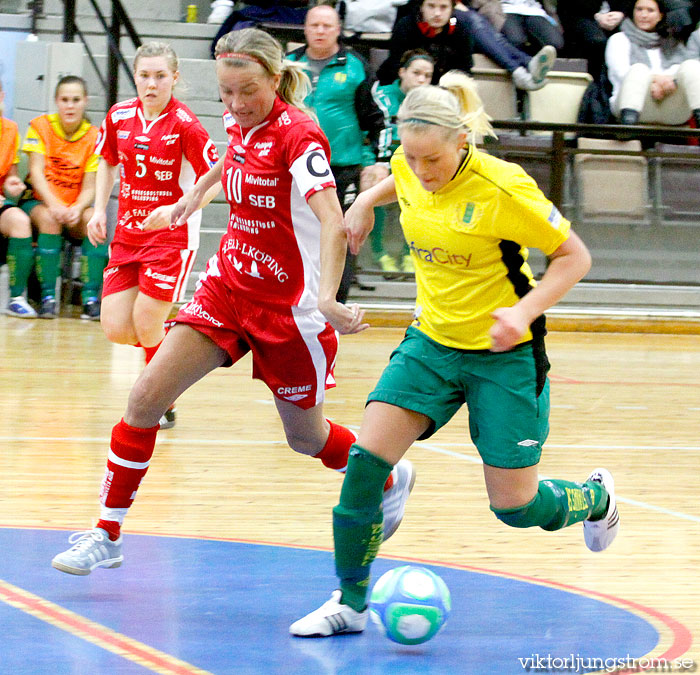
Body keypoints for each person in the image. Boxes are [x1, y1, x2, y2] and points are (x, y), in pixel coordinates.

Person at [51, 28, 415, 577]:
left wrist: (326, 298)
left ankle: (388, 476)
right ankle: (106, 533)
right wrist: (186, 202)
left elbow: (332, 221)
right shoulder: (237, 123)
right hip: (226, 289)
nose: (237, 105)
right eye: (225, 95)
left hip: (287, 310)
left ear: (274, 79)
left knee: (305, 437)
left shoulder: (301, 135)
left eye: (247, 92)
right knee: (144, 399)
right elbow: (229, 163)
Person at [290, 70, 620, 637]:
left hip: (505, 353)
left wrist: (522, 313)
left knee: (515, 507)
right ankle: (349, 601)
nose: (421, 172)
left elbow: (574, 257)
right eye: (411, 158)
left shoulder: (503, 187)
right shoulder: (407, 165)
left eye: (432, 161)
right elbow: (398, 176)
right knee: (365, 466)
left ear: (461, 142)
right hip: (431, 344)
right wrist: (365, 200)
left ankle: (594, 498)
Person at [86, 42, 219, 429]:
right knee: (115, 327)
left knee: (146, 324)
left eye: (161, 75)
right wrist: (98, 210)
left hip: (171, 238)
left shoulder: (186, 124)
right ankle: (175, 356)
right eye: (144, 75)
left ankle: (160, 398)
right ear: (135, 76)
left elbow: (214, 179)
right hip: (128, 235)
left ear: (174, 78)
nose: (152, 83)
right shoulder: (119, 115)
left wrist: (180, 208)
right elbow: (107, 161)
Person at [287, 4, 392, 302]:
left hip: (341, 169)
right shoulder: (288, 64)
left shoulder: (356, 66)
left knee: (339, 236)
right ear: (305, 29)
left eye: (327, 26)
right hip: (294, 169)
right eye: (315, 25)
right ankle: (295, 302)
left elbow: (378, 119)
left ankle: (334, 306)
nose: (320, 31)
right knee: (295, 235)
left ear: (338, 30)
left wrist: (381, 162)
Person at [20, 75, 103, 319]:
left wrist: (77, 208)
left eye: (76, 100)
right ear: (57, 101)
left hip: (73, 206)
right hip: (39, 202)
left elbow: (90, 185)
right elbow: (35, 173)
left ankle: (90, 299)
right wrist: (55, 205)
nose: (70, 105)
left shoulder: (94, 136)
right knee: (49, 219)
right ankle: (47, 297)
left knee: (93, 222)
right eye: (65, 100)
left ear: (85, 101)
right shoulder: (39, 126)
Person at [379, 0, 557, 91]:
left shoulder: (459, 26)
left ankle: (523, 67)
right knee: (475, 23)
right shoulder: (406, 25)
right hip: (405, 90)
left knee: (472, 22)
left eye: (443, 7)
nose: (437, 13)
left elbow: (465, 70)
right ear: (422, 7)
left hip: (443, 91)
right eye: (432, 6)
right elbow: (395, 64)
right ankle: (524, 65)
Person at [371, 50, 434, 276]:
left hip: (415, 163)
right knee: (375, 195)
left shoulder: (431, 102)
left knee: (419, 200)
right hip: (381, 159)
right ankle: (379, 253)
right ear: (402, 72)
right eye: (416, 73)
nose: (421, 80)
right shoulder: (381, 94)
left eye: (427, 76)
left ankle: (410, 254)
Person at [605, 0, 700, 125]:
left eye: (650, 10)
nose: (643, 15)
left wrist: (668, 83)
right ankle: (627, 128)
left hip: (669, 102)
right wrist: (654, 81)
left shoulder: (672, 40)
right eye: (639, 9)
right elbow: (621, 73)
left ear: (660, 15)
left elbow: (680, 69)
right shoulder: (619, 39)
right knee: (639, 69)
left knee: (692, 65)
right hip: (632, 103)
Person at [0, 79, 35, 318]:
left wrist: (12, 183)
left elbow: (9, 175)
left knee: (21, 222)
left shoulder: (10, 130)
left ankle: (15, 297)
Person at [558, 0, 632, 81]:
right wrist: (598, 16)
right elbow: (570, 8)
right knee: (598, 41)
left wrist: (621, 13)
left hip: (619, 15)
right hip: (581, 15)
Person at [499, 0, 565, 56]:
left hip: (533, 10)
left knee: (555, 43)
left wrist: (553, 16)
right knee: (515, 41)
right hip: (505, 8)